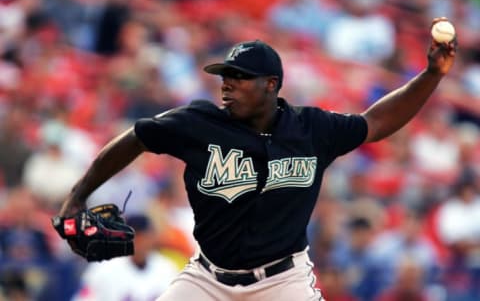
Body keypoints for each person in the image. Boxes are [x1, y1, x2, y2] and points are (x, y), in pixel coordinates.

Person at [57, 17, 457, 301]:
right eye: (225, 74)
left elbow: (376, 121)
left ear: (271, 84)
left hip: (282, 281)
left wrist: (431, 76)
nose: (227, 83)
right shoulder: (198, 122)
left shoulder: (311, 129)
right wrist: (77, 196)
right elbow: (136, 137)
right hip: (208, 280)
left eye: (239, 76)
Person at [71, 214, 179, 301]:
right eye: (136, 238)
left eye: (144, 238)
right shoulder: (103, 269)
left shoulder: (166, 268)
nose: (140, 243)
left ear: (152, 238)